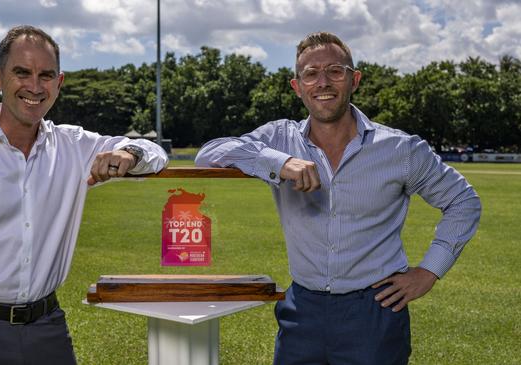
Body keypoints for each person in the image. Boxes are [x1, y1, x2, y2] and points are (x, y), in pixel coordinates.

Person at [195, 31, 481, 364]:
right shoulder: (278, 139)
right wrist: (279, 162)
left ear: (354, 79)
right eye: (311, 74)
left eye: (335, 71)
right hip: (302, 310)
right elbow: (210, 153)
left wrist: (430, 271)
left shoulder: (401, 149)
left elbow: (463, 202)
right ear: (297, 86)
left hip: (376, 311)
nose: (323, 82)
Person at [0, 25, 168, 365]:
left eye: (46, 75)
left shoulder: (74, 146)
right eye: (21, 73)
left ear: (59, 83)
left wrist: (129, 154)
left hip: (47, 330)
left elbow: (153, 152)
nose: (35, 87)